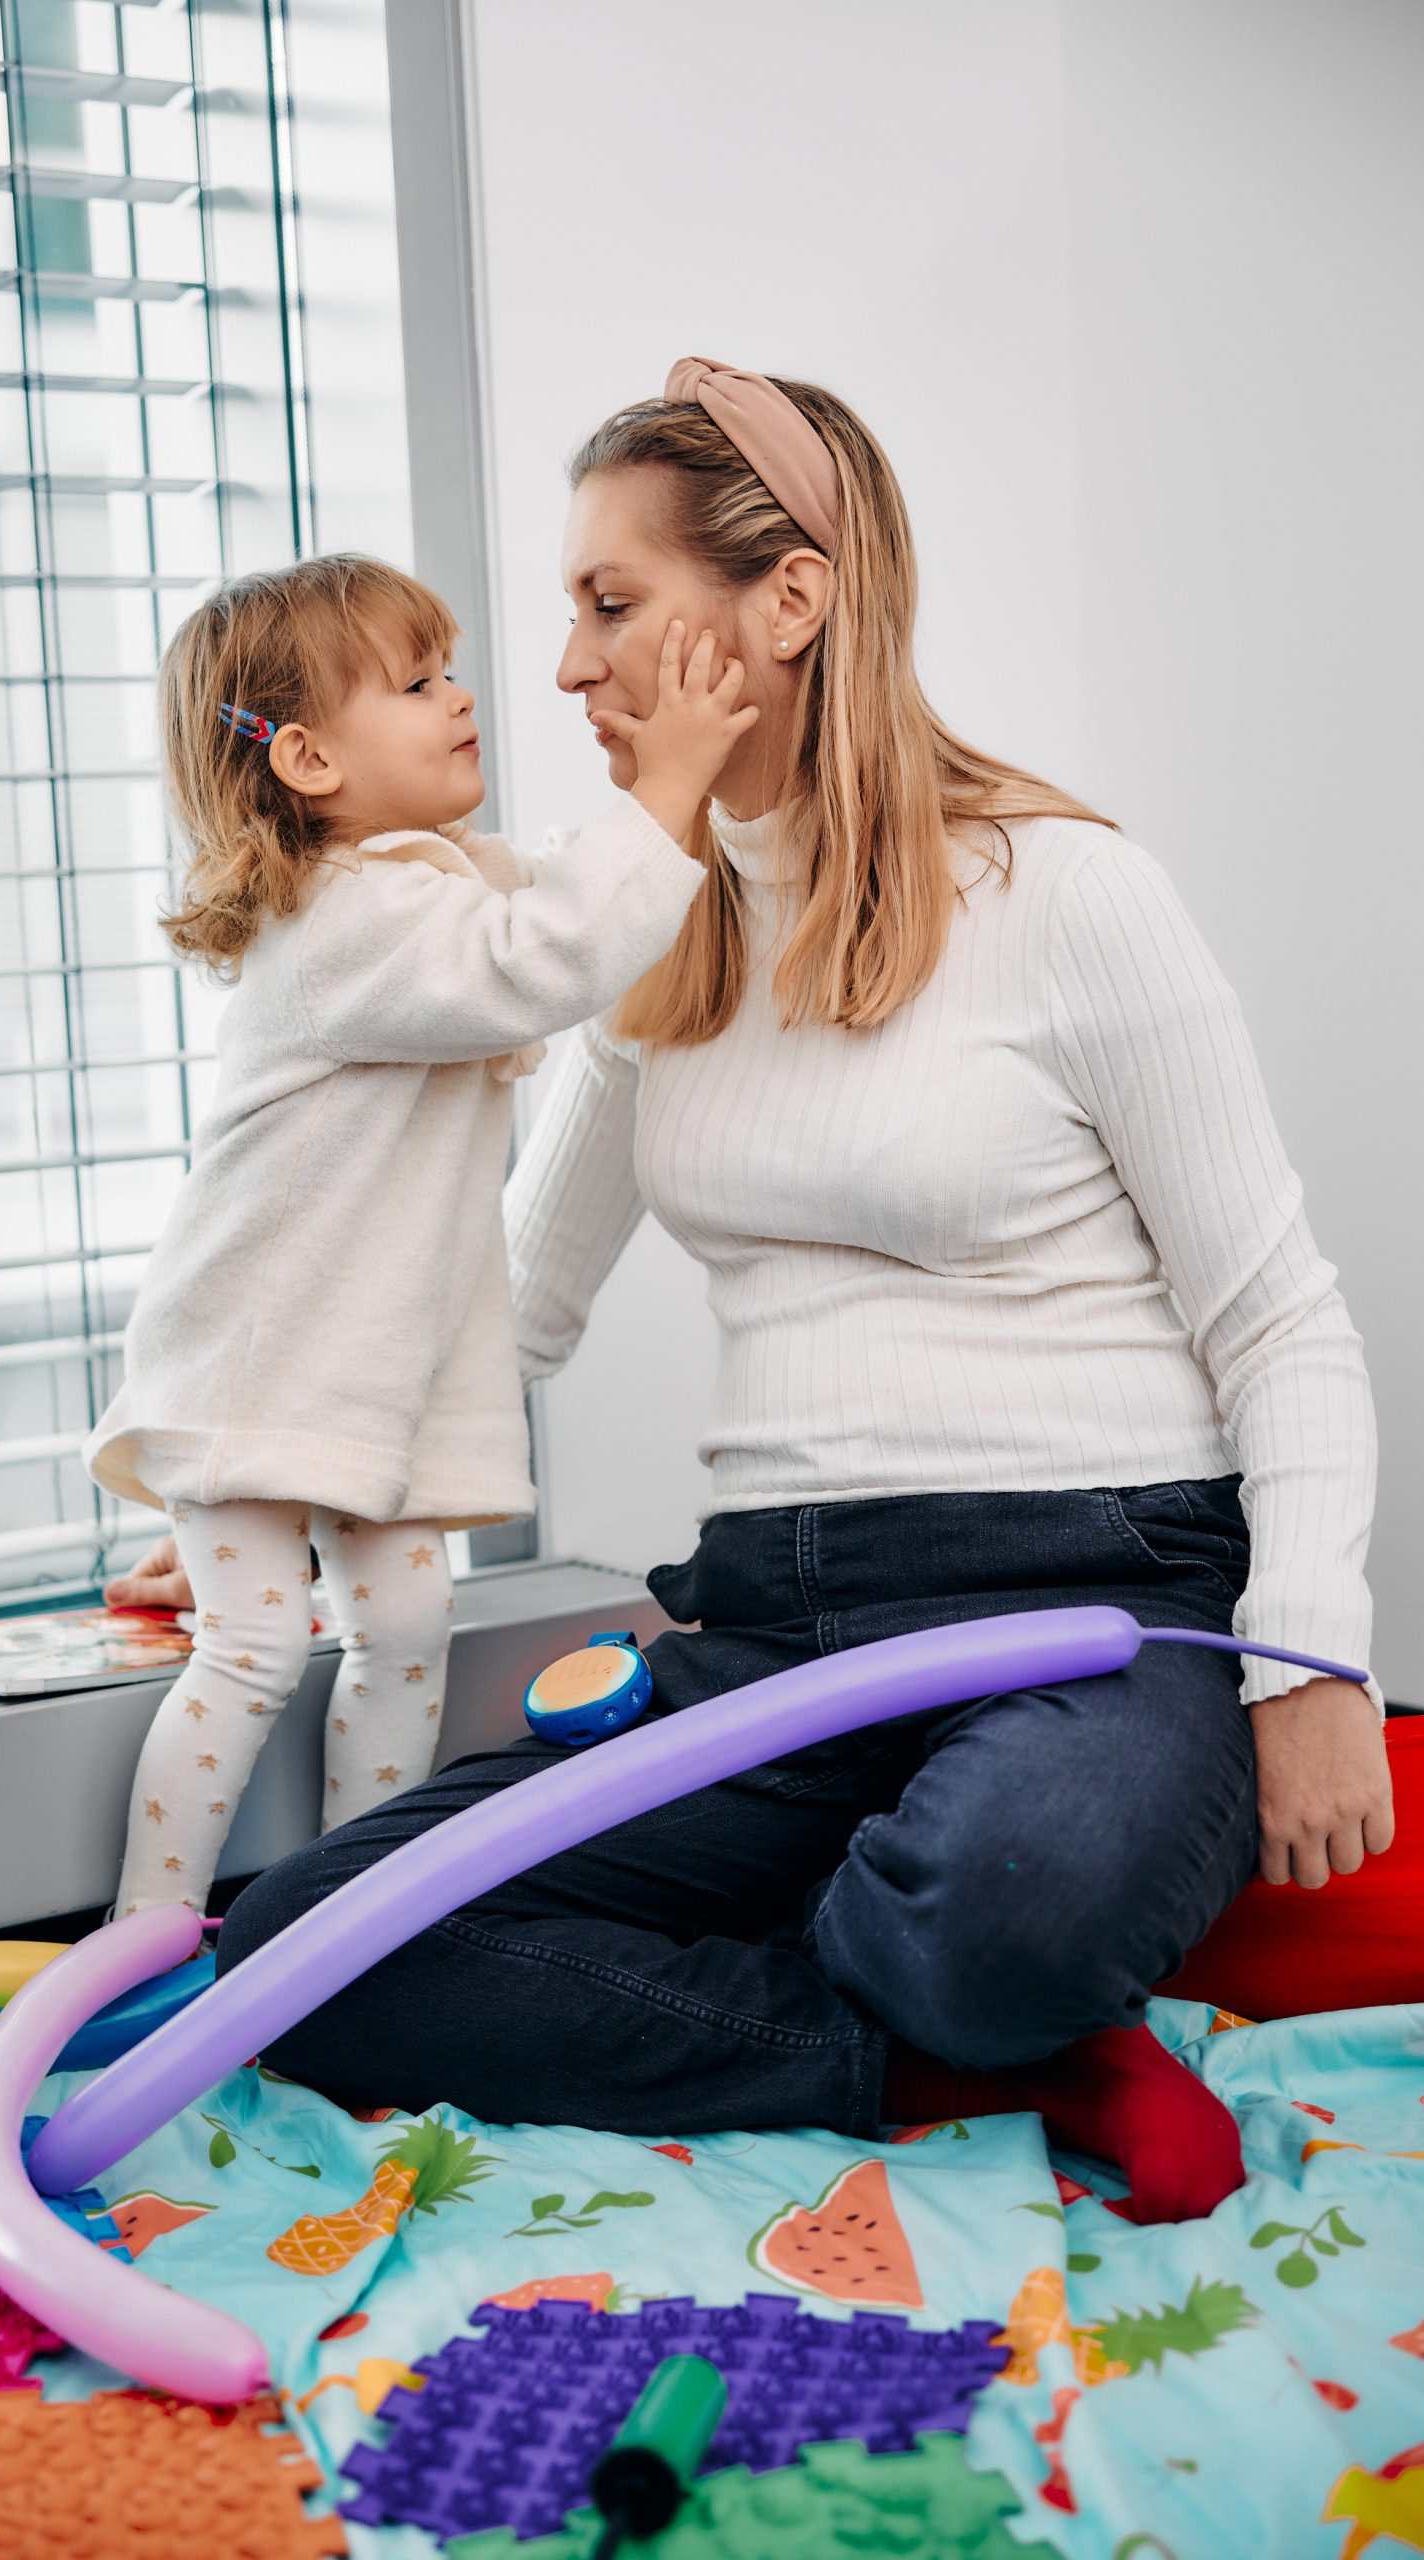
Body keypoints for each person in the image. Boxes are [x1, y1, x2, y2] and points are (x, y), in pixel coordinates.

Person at [131, 367, 1390, 2224]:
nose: (563, 668)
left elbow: (1277, 1313)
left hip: (1093, 1606)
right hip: (782, 1630)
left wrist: (1308, 1659)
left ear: (787, 605)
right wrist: (264, 1494)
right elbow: (502, 1306)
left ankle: (959, 1974)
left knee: (1010, 1896)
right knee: (318, 1940)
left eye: (609, 604)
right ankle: (964, 2041)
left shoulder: (1065, 890)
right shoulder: (666, 938)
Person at [87, 552, 754, 1914]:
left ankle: (356, 1913)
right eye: (418, 681)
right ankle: (143, 1934)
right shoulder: (348, 918)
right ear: (313, 761)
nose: (463, 698)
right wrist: (671, 792)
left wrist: (677, 812)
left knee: (405, 1629)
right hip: (258, 1366)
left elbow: (560, 883)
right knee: (253, 1648)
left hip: (361, 1378)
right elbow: (539, 962)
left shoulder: (426, 879)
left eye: (445, 668)